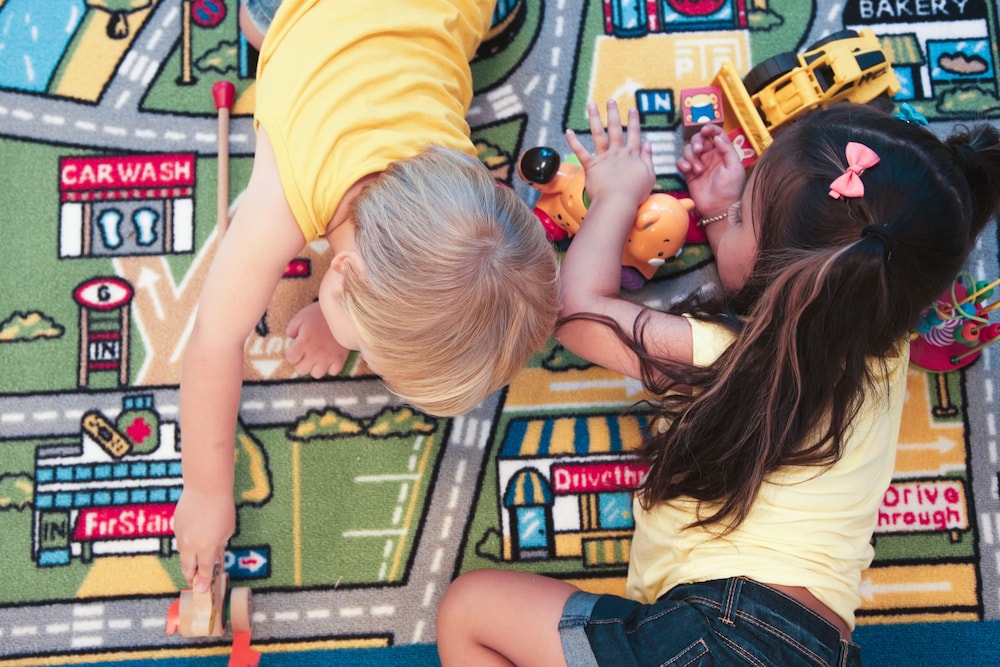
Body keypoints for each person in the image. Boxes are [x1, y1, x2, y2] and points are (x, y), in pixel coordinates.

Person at [435, 100, 1000, 666]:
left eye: (747, 218)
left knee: (468, 610)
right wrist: (726, 209)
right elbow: (777, 282)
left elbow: (579, 314)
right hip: (806, 644)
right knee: (473, 612)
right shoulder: (884, 325)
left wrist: (614, 196)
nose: (736, 222)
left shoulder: (727, 356)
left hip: (730, 635)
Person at [173, 0, 559, 594]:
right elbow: (212, 341)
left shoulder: (459, 186)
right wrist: (204, 490)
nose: (371, 367)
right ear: (342, 272)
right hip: (312, 20)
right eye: (376, 354)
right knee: (257, 26)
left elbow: (482, 269)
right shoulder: (281, 197)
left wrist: (345, 317)